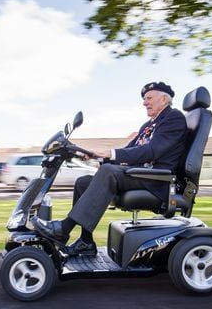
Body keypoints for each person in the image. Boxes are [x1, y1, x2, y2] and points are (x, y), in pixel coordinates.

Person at [31, 81, 188, 256]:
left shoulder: (174, 118)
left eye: (149, 98)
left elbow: (151, 151)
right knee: (84, 182)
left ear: (164, 99)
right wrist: (97, 155)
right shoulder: (148, 126)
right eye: (144, 99)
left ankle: (63, 228)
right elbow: (130, 150)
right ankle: (86, 242)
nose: (144, 103)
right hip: (139, 175)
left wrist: (111, 154)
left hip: (156, 179)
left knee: (107, 172)